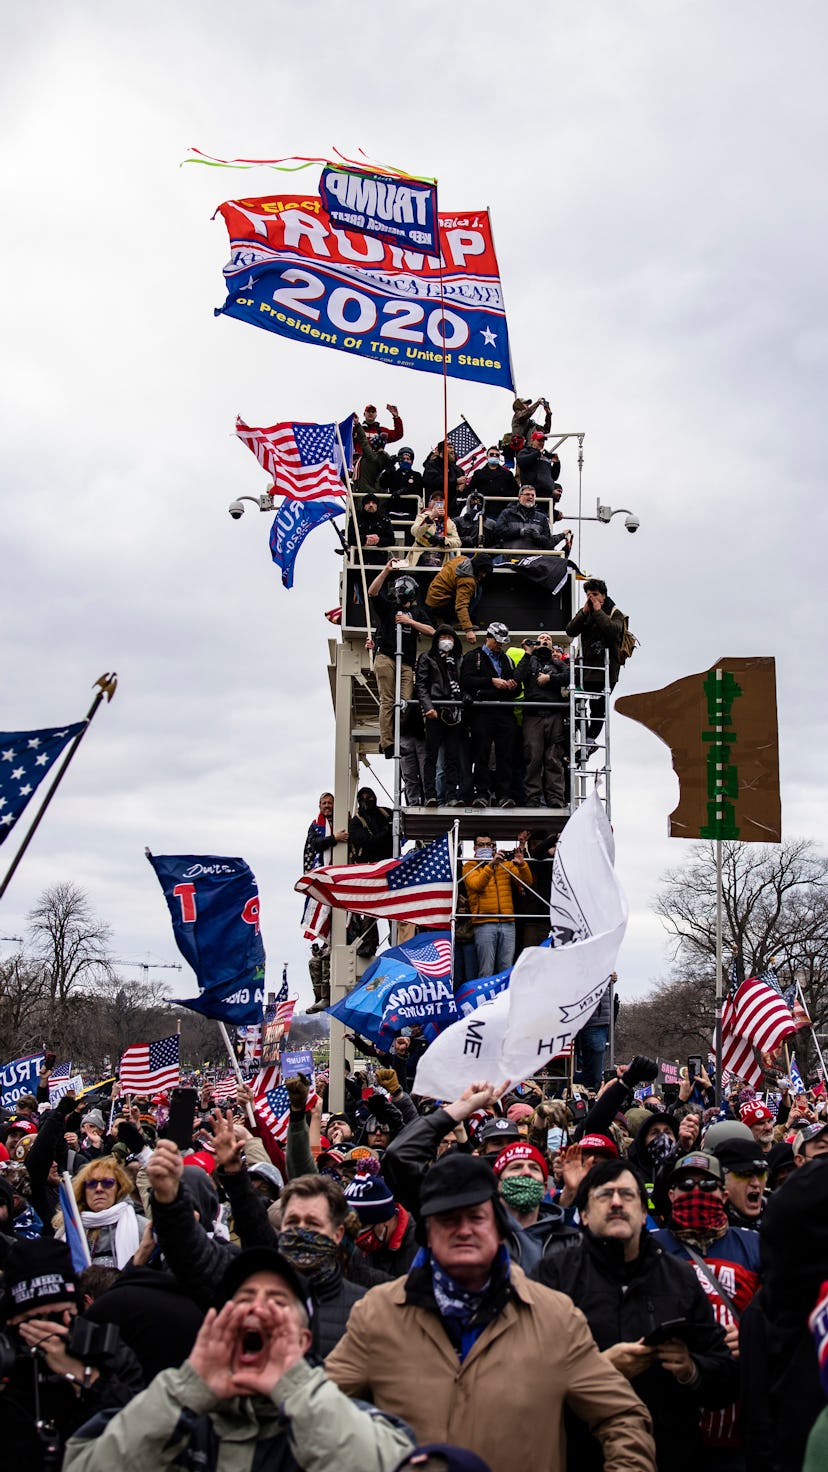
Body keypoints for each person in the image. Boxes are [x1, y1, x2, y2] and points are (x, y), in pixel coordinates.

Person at [325, 1150, 656, 1472]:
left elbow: (621, 1415)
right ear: (427, 1233)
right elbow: (321, 1414)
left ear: (499, 1226)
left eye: (476, 1217)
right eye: (448, 1220)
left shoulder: (554, 1316)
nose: (464, 1230)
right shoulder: (379, 1313)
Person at [63, 1246, 414, 1472]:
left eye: (277, 1302)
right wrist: (187, 1388)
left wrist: (296, 1387)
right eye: (244, 1298)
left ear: (305, 1338)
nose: (258, 1309)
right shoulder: (170, 1412)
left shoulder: (357, 1421)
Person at [537, 1159, 737, 1472]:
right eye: (605, 1195)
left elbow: (724, 1374)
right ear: (585, 1215)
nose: (617, 1202)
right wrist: (601, 1370)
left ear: (644, 1215)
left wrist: (691, 1370)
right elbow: (527, 1377)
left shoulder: (680, 1278)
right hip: (578, 1454)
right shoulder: (554, 1275)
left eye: (628, 1195)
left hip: (670, 1454)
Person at [653, 1151, 760, 1467]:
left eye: (708, 1185)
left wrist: (753, 1337)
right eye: (685, 1185)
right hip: (670, 1421)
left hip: (739, 1426)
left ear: (724, 1194)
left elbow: (781, 1317)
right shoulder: (651, 1247)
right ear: (671, 1195)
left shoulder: (753, 1245)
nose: (696, 1192)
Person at [1, 1236, 144, 1470]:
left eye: (57, 1317)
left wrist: (85, 1377)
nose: (47, 1330)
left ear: (75, 1310)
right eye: (34, 1320)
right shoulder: (6, 1357)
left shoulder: (106, 1350)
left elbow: (140, 1434)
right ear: (12, 1319)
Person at [367, 564, 435, 757]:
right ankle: (387, 743)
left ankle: (397, 734)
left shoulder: (418, 612)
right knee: (387, 700)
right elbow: (372, 592)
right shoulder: (389, 608)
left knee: (405, 702)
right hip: (386, 657)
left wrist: (410, 622)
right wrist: (386, 571)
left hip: (406, 663)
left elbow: (432, 632)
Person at [460, 622, 521, 807]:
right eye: (497, 641)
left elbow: (515, 687)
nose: (500, 645)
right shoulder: (473, 656)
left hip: (504, 711)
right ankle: (482, 793)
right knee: (481, 754)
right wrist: (491, 682)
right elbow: (466, 681)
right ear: (489, 637)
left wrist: (511, 686)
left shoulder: (506, 659)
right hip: (482, 712)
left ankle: (504, 794)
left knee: (505, 755)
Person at [565, 577, 626, 757]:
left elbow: (613, 630)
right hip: (585, 668)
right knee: (577, 704)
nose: (591, 598)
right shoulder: (586, 612)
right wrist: (584, 612)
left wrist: (598, 611)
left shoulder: (615, 612)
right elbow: (570, 631)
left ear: (604, 596)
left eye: (595, 594)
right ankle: (585, 741)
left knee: (598, 708)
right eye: (589, 594)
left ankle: (588, 743)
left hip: (606, 670)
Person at [462, 830, 532, 976]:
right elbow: (477, 885)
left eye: (488, 844)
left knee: (506, 969)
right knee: (486, 969)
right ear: (474, 848)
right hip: (484, 923)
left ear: (493, 846)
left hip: (508, 922)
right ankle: (486, 999)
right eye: (481, 845)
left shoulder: (504, 864)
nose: (485, 847)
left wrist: (522, 864)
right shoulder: (469, 866)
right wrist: (490, 866)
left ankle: (504, 999)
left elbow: (526, 882)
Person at [57, 1156, 148, 1269]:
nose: (99, 1189)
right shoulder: (67, 1232)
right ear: (83, 1190)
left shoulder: (142, 1228)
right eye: (91, 1183)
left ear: (119, 1188)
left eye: (107, 1183)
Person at [515, 632, 569, 808]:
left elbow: (571, 676)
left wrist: (550, 678)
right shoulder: (529, 660)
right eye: (542, 638)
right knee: (533, 757)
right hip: (533, 716)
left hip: (555, 715)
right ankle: (533, 798)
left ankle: (555, 799)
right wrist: (528, 652)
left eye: (548, 639)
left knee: (553, 759)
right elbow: (518, 678)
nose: (545, 640)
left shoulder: (557, 663)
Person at [415, 625, 466, 807]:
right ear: (436, 639)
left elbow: (464, 683)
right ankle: (430, 795)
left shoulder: (460, 660)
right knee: (432, 756)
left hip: (454, 712)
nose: (447, 640)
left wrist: (464, 699)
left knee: (453, 756)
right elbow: (421, 685)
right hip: (434, 712)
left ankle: (452, 795)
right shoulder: (427, 658)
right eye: (443, 636)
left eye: (450, 637)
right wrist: (428, 707)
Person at [425, 552, 493, 643]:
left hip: (433, 599)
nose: (484, 575)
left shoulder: (461, 559)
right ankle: (456, 621)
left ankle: (442, 618)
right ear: (477, 568)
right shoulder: (467, 581)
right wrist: (468, 630)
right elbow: (461, 606)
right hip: (440, 605)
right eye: (482, 571)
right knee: (477, 590)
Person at [710, 1136, 769, 1227]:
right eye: (744, 1175)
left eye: (761, 1174)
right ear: (722, 1179)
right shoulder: (708, 1224)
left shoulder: (781, 1216)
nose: (756, 1183)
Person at [493, 483, 556, 550]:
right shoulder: (507, 513)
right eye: (527, 494)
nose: (530, 497)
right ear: (519, 497)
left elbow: (548, 542)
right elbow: (498, 532)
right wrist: (519, 532)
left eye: (533, 495)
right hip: (510, 556)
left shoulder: (542, 518)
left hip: (533, 559)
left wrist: (538, 537)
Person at [410, 495, 461, 567]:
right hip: (421, 557)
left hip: (442, 560)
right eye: (435, 499)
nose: (438, 502)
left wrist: (443, 540)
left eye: (441, 500)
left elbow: (457, 542)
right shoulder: (422, 516)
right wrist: (431, 517)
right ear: (430, 503)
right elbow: (414, 532)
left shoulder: (449, 522)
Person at [348, 489, 395, 566]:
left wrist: (378, 540)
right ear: (363, 505)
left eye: (373, 503)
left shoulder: (384, 520)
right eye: (368, 503)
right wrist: (365, 539)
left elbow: (391, 540)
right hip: (360, 562)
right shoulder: (355, 519)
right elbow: (350, 539)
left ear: (377, 505)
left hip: (379, 562)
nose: (371, 505)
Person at [303, 792, 347, 873]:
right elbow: (315, 844)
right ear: (320, 806)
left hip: (341, 868)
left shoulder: (344, 821)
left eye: (330, 803)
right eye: (324, 803)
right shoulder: (315, 825)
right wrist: (334, 838)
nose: (327, 805)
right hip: (320, 870)